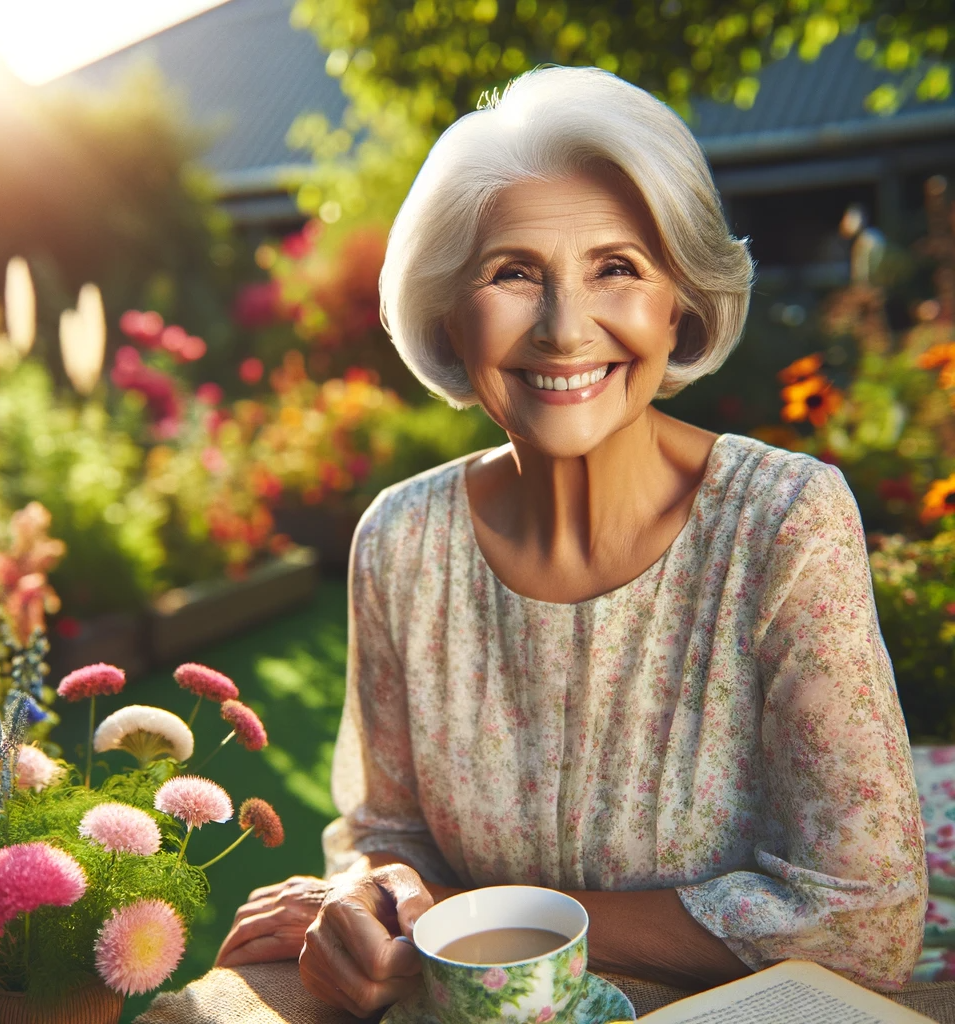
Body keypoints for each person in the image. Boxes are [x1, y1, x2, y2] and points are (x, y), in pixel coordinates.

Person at [216, 66, 927, 1016]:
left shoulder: (783, 521)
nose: (563, 328)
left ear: (681, 300)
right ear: (448, 313)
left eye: (617, 268)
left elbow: (867, 922)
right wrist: (367, 893)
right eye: (512, 273)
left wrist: (477, 915)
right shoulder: (401, 539)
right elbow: (384, 830)